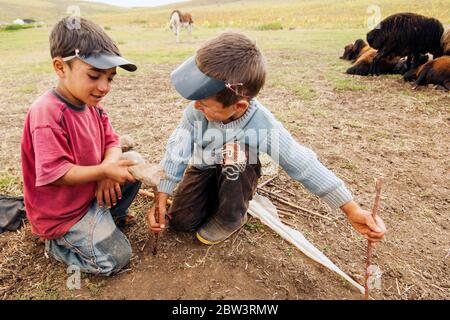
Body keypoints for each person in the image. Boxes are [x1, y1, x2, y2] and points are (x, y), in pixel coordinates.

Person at [148, 32, 387, 246]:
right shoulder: (195, 111)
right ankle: (213, 195)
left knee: (235, 153)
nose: (195, 106)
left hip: (236, 169)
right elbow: (177, 151)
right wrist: (163, 194)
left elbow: (301, 162)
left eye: (204, 103)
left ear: (239, 105)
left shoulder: (263, 124)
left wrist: (350, 208)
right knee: (182, 222)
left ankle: (231, 216)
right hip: (204, 167)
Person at [21, 17, 140, 275]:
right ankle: (57, 245)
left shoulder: (92, 106)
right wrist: (104, 172)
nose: (104, 87)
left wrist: (108, 167)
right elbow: (56, 174)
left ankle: (110, 216)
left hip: (90, 195)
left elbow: (112, 141)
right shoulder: (48, 113)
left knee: (135, 162)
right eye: (94, 75)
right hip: (65, 215)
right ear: (61, 67)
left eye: (110, 78)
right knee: (117, 257)